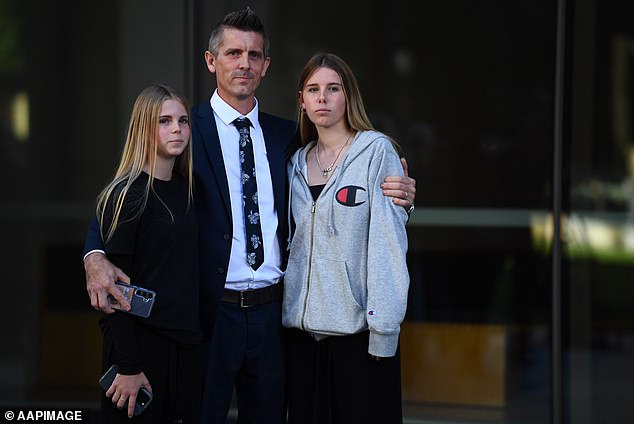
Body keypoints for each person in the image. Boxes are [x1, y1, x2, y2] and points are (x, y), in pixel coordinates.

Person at [83, 8, 417, 423]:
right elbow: (133, 189)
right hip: (210, 315)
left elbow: (340, 175)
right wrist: (95, 252)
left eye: (254, 55)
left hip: (274, 317)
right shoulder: (187, 130)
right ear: (211, 61)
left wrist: (402, 194)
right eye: (233, 53)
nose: (244, 63)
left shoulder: (289, 138)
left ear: (265, 65)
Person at [283, 53, 409, 423]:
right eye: (313, 89)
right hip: (301, 338)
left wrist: (383, 330)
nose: (322, 98)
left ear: (347, 96)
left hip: (360, 337)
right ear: (302, 102)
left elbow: (388, 244)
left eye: (333, 88)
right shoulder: (293, 163)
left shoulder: (375, 152)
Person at [95, 84, 202, 422]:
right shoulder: (126, 195)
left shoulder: (190, 190)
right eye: (165, 121)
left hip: (184, 348)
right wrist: (128, 366)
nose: (177, 129)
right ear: (144, 128)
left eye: (183, 121)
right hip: (139, 351)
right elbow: (113, 293)